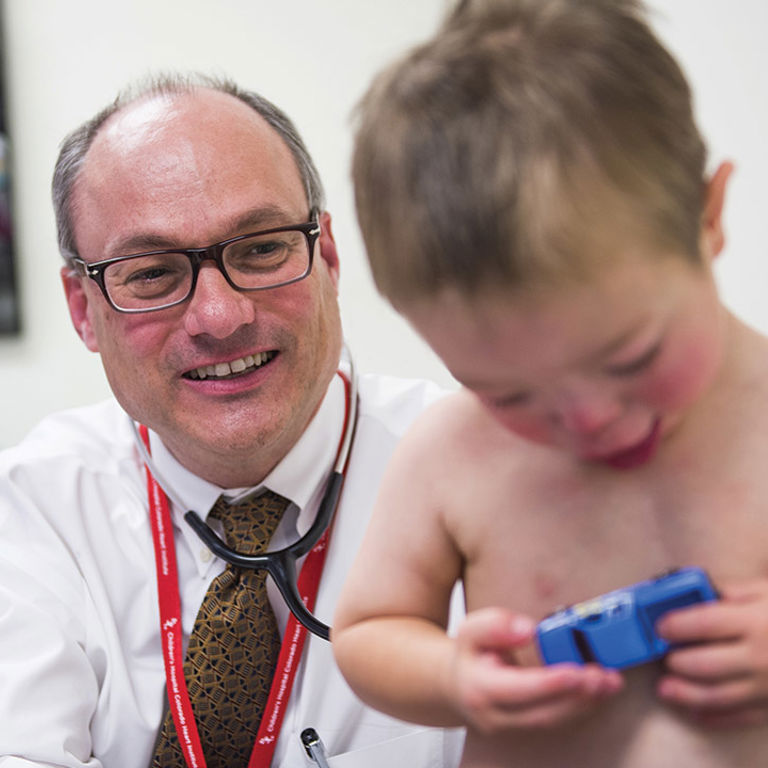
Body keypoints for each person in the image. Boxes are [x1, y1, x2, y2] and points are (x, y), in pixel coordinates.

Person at [332, 1, 768, 766]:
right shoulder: (450, 451)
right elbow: (369, 633)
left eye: (631, 357)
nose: (591, 418)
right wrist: (452, 676)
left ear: (711, 215)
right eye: (509, 395)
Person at [0, 73, 464, 767]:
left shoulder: (483, 477)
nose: (221, 316)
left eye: (261, 249)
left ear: (327, 256)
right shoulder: (33, 509)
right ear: (81, 308)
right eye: (152, 272)